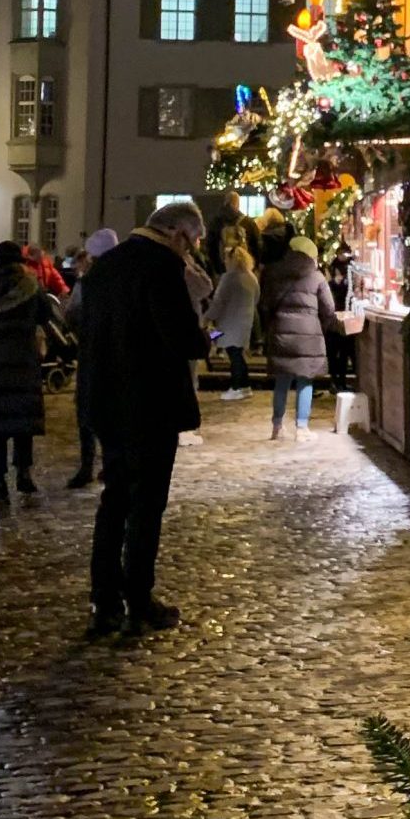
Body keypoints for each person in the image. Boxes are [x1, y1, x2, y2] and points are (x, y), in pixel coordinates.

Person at [79, 200, 211, 636]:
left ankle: (104, 600)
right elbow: (180, 338)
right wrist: (207, 336)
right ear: (176, 234)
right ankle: (138, 598)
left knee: (113, 499)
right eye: (191, 243)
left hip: (105, 401)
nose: (190, 252)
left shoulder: (104, 266)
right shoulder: (161, 267)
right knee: (146, 505)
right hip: (150, 403)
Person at [0, 240, 72, 505]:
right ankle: (24, 475)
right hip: (24, 359)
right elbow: (46, 315)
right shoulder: (31, 287)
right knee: (22, 421)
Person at [259, 232, 342, 441]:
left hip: (281, 333)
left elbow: (265, 305)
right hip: (308, 335)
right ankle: (302, 428)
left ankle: (277, 426)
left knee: (282, 380)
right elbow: (329, 309)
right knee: (305, 380)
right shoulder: (317, 276)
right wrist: (319, 327)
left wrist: (272, 327)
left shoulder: (273, 272)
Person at [64, 226, 117, 488]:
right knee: (110, 410)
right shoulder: (123, 280)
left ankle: (87, 465)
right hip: (116, 354)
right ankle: (109, 464)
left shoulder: (89, 282)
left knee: (87, 411)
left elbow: (72, 314)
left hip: (92, 353)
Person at [206, 241, 258, 402]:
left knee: (233, 354)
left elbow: (219, 301)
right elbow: (256, 298)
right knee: (238, 353)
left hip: (228, 322)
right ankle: (245, 386)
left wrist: (207, 317)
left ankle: (235, 387)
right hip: (245, 321)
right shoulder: (251, 277)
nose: (224, 261)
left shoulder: (229, 278)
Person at [324, 251, 357, 396]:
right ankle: (339, 382)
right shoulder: (348, 284)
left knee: (336, 353)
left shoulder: (331, 284)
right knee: (342, 352)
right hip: (344, 320)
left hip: (334, 320)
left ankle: (336, 381)